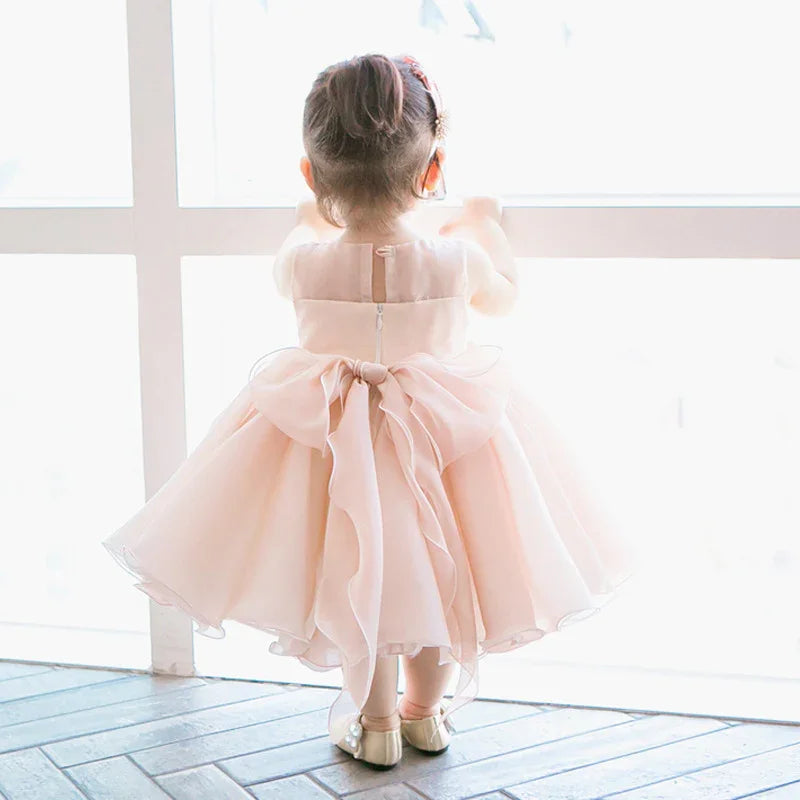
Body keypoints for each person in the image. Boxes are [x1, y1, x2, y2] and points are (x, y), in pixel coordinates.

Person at [102, 52, 642, 770]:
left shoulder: (303, 261)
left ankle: (377, 721)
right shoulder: (456, 262)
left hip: (334, 450)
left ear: (310, 175)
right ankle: (425, 714)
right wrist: (483, 222)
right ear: (432, 170)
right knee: (440, 581)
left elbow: (296, 258)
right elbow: (505, 293)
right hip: (441, 448)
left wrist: (309, 221)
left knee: (364, 575)